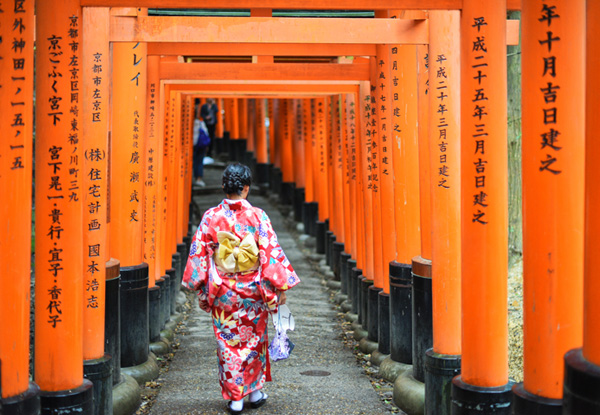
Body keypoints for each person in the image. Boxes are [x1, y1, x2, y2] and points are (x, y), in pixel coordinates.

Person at [182, 163, 300, 414]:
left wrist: (199, 286)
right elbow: (270, 252)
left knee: (227, 342)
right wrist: (280, 285)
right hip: (253, 291)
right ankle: (255, 392)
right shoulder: (258, 216)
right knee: (254, 340)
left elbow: (198, 254)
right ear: (246, 188)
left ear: (225, 186)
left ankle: (236, 398)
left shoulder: (211, 217)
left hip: (223, 291)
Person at [193, 116, 210, 187]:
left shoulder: (191, 123)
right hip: (201, 145)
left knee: (194, 162)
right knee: (199, 162)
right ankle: (198, 179)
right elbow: (206, 133)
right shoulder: (201, 123)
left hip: (193, 145)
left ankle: (193, 177)